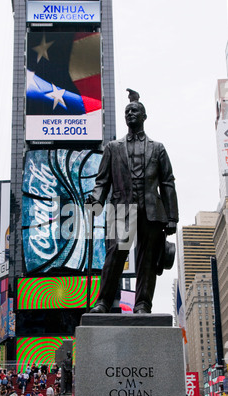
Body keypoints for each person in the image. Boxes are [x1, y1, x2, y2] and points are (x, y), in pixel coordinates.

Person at [86, 89, 178, 314]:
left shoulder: (158, 148)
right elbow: (102, 182)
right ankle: (103, 302)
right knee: (116, 254)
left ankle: (143, 304)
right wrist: (95, 200)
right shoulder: (113, 148)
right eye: (127, 112)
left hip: (152, 211)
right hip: (121, 209)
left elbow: (167, 183)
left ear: (144, 116)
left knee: (147, 260)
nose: (130, 114)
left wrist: (172, 216)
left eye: (134, 111)